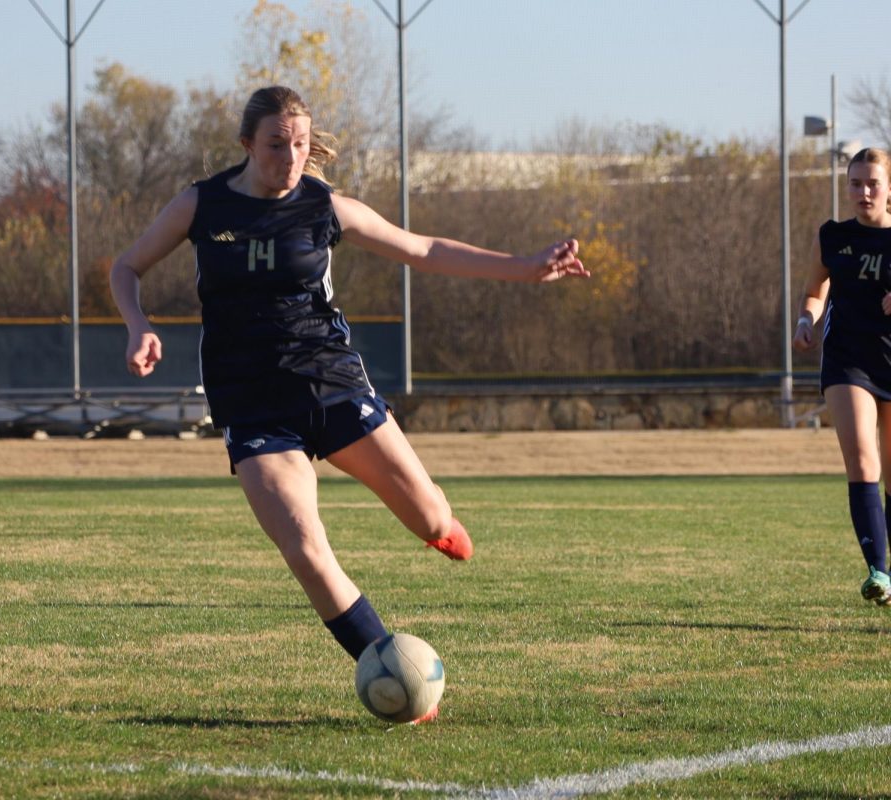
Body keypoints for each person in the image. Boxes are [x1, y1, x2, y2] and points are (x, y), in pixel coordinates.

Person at [109, 86, 589, 722]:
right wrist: (138, 323)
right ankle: (390, 668)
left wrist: (526, 267)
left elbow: (423, 249)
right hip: (250, 404)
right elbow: (126, 267)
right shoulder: (201, 204)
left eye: (301, 143)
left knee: (429, 515)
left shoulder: (323, 205)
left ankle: (438, 526)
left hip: (331, 383)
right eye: (277, 144)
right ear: (247, 145)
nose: (290, 156)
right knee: (304, 545)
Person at [793, 146, 891, 605]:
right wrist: (805, 320)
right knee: (863, 460)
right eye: (855, 183)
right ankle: (879, 571)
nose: (863, 191)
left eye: (872, 183)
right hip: (849, 362)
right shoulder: (832, 236)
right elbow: (815, 288)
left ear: (888, 189)